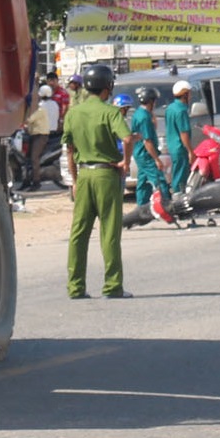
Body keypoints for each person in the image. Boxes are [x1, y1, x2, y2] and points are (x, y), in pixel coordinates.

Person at [62, 63, 136, 300]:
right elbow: (127, 139)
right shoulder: (111, 112)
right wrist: (125, 163)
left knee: (79, 232)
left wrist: (75, 180)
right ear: (108, 86)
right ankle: (112, 286)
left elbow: (69, 150)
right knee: (109, 231)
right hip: (106, 175)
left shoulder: (73, 113)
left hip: (84, 174)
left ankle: (75, 287)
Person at [128, 87, 175, 224]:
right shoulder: (144, 117)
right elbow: (147, 141)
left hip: (140, 153)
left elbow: (152, 128)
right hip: (146, 154)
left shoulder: (140, 114)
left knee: (143, 182)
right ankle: (168, 208)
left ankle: (141, 209)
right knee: (159, 179)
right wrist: (156, 159)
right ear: (151, 101)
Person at [24, 83, 60, 190]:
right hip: (52, 131)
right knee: (28, 158)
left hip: (41, 134)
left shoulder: (40, 107)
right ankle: (27, 180)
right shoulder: (54, 104)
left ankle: (36, 181)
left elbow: (30, 120)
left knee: (34, 158)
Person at [164, 79, 195, 193]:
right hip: (180, 148)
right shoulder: (181, 111)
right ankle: (178, 196)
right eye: (189, 93)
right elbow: (184, 133)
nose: (191, 96)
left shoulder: (170, 108)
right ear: (185, 94)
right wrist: (190, 151)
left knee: (176, 172)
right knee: (181, 176)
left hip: (172, 146)